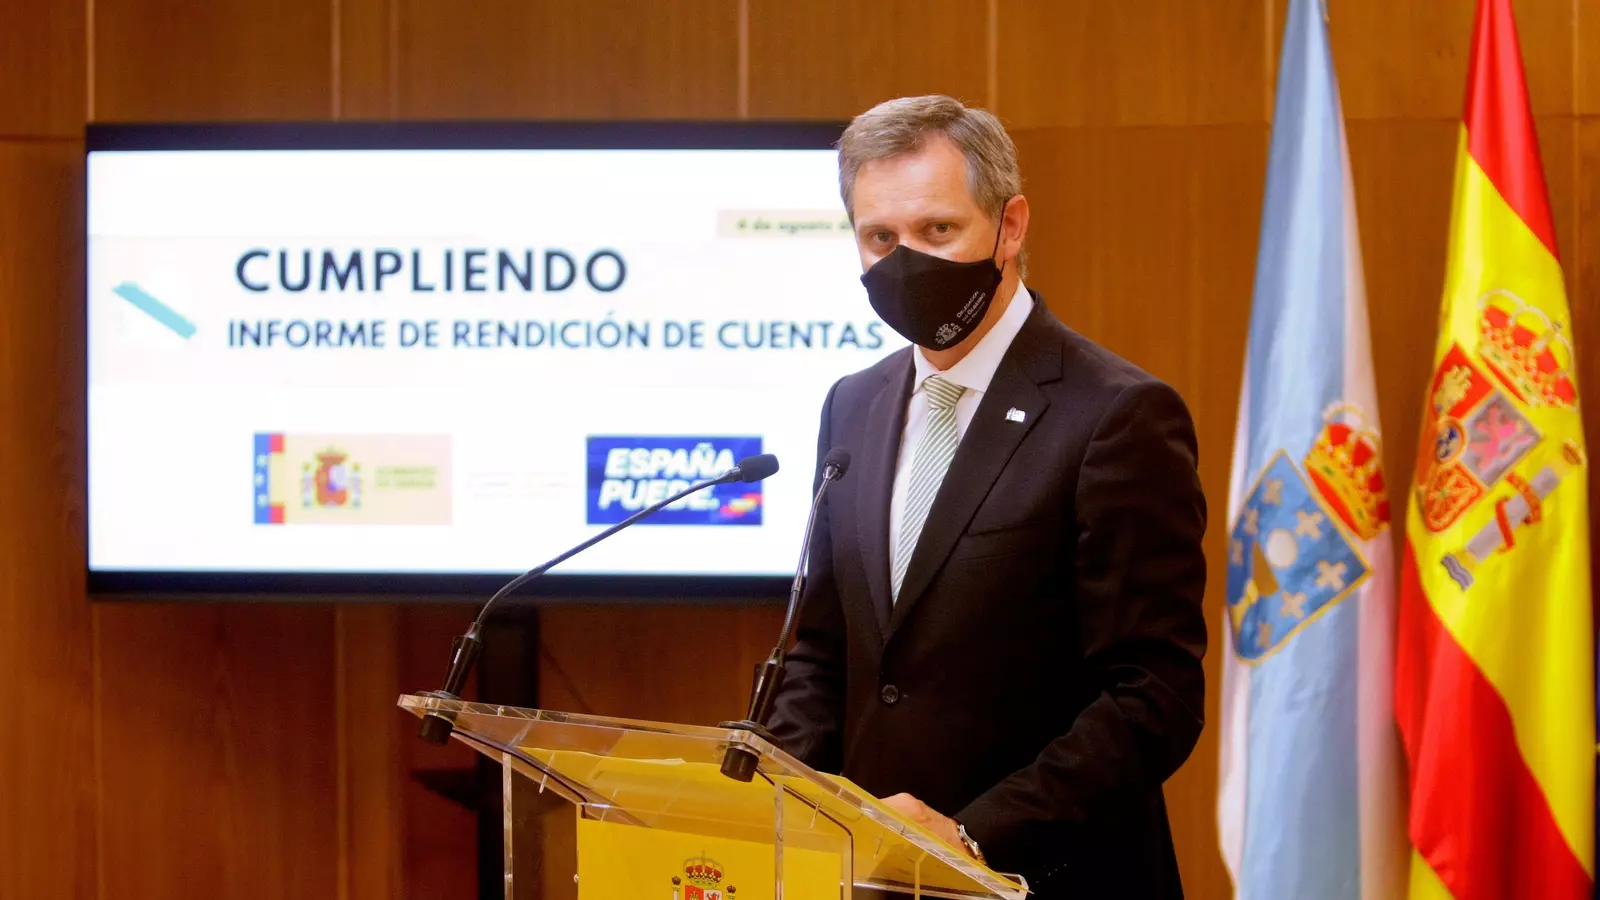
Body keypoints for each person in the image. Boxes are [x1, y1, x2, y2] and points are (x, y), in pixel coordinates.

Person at [766, 95, 1209, 898]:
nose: (906, 262)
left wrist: (972, 835)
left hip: (1051, 877)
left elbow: (1154, 697)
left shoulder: (1117, 415)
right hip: (872, 879)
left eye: (938, 230)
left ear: (1010, 227)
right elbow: (826, 655)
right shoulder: (852, 405)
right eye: (880, 238)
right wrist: (779, 801)